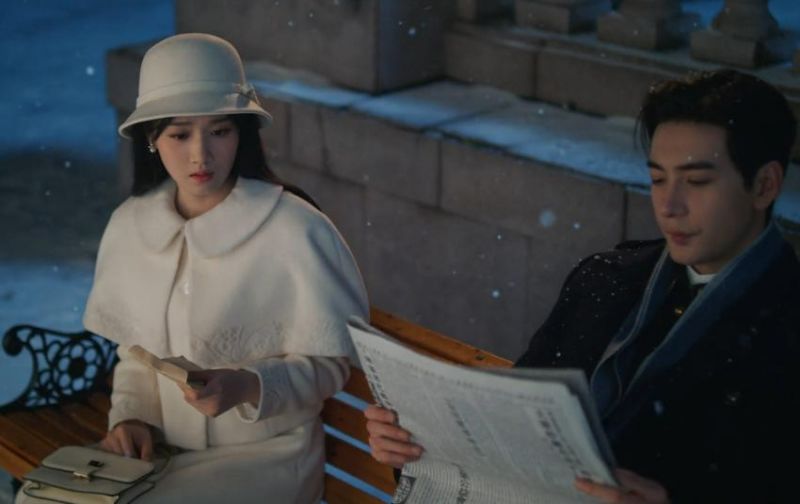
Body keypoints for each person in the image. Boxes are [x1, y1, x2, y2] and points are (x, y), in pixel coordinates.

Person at [364, 69, 800, 503]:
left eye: (697, 182)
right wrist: (414, 444)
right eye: (657, 179)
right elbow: (510, 431)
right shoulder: (608, 279)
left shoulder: (785, 328)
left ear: (764, 186)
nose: (669, 206)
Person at [18, 33, 368, 503]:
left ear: (241, 133)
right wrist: (131, 418)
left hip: (267, 458)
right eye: (180, 134)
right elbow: (136, 354)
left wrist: (249, 385)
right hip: (159, 453)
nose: (201, 154)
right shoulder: (131, 226)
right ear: (151, 138)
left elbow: (331, 363)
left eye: (219, 131)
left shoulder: (295, 230)